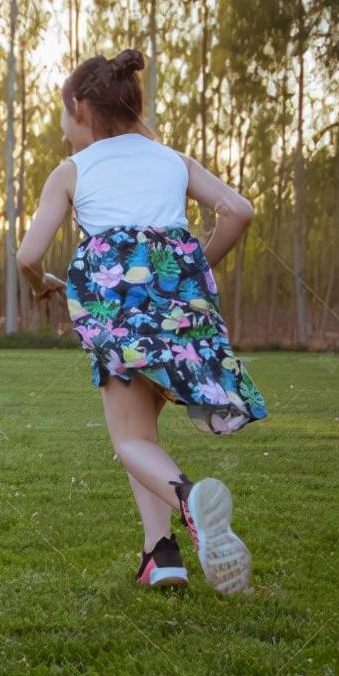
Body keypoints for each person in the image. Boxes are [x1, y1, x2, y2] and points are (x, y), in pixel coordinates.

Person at [17, 49, 266, 595]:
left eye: (64, 114)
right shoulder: (172, 160)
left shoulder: (73, 170)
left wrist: (44, 286)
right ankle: (162, 555)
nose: (63, 126)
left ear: (80, 108)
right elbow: (239, 211)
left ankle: (189, 502)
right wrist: (194, 268)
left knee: (128, 439)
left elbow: (28, 256)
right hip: (180, 303)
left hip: (115, 308)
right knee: (143, 431)